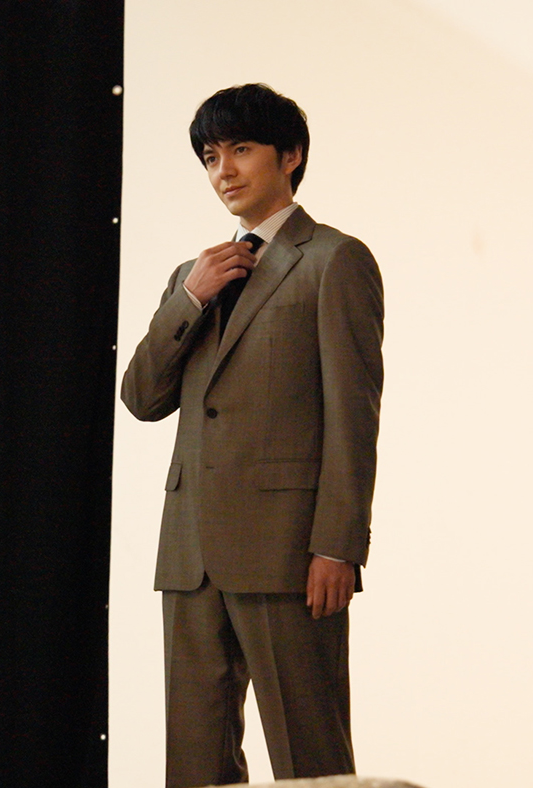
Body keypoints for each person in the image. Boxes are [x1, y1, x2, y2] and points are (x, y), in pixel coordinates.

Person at [121, 83, 385, 788]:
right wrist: (190, 298)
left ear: (290, 156)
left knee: (311, 760)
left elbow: (353, 416)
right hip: (190, 555)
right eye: (211, 157)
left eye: (241, 149)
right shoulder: (192, 276)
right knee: (194, 764)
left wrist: (337, 546)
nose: (224, 171)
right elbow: (142, 398)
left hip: (289, 555)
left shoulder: (333, 260)